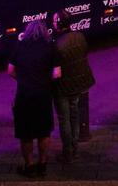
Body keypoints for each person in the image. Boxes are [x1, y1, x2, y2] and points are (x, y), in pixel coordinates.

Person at [8, 20, 59, 178]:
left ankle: (29, 166)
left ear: (28, 31)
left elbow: (10, 71)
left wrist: (23, 79)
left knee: (26, 133)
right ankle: (42, 164)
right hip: (43, 95)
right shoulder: (50, 47)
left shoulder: (20, 46)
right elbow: (57, 74)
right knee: (44, 131)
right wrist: (44, 81)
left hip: (24, 95)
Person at [51, 8, 94, 165]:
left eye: (55, 20)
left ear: (59, 24)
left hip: (62, 88)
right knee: (75, 117)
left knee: (64, 120)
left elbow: (55, 72)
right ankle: (75, 148)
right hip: (78, 85)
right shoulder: (80, 37)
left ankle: (67, 152)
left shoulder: (56, 45)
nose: (53, 23)